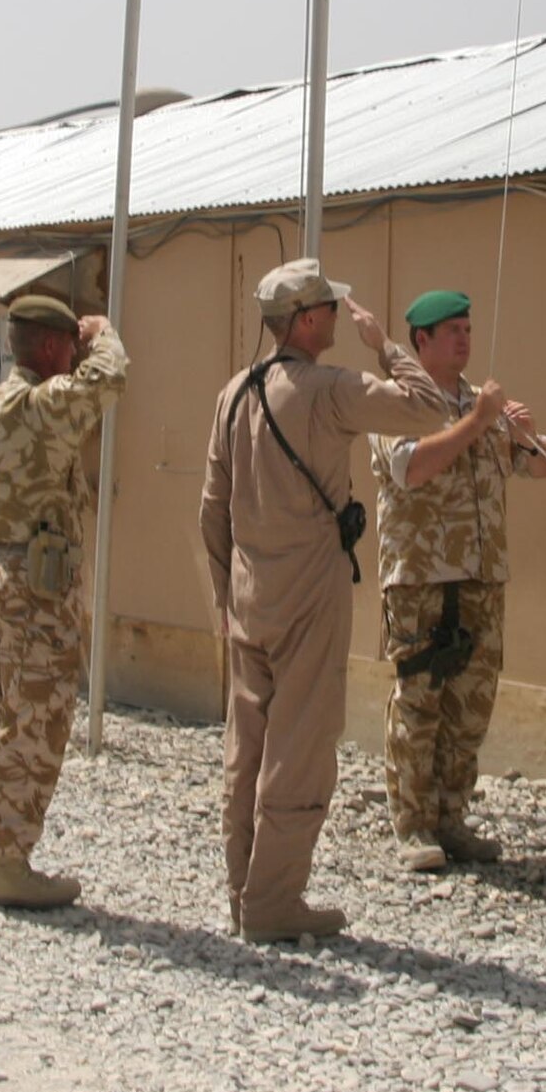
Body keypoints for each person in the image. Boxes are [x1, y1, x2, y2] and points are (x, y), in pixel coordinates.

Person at [201, 257, 444, 944]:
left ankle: (243, 889)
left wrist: (225, 595)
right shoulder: (329, 389)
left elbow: (210, 509)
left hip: (249, 595)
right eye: (331, 309)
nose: (340, 316)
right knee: (300, 746)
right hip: (309, 591)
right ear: (306, 320)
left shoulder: (234, 394)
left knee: (245, 748)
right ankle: (274, 901)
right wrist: (387, 347)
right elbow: (428, 408)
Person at [370, 289, 546, 875]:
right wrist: (477, 423)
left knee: (469, 706)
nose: (464, 340)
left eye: (468, 329)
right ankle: (414, 823)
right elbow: (412, 468)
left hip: (480, 578)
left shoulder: (484, 404)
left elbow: (541, 466)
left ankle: (452, 817)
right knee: (419, 703)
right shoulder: (398, 403)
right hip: (421, 578)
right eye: (451, 330)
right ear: (420, 341)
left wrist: (523, 435)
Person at [0, 295, 128, 909]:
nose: (76, 358)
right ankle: (8, 863)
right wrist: (104, 332)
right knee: (34, 724)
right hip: (36, 583)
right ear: (52, 348)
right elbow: (110, 377)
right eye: (70, 348)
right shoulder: (42, 405)